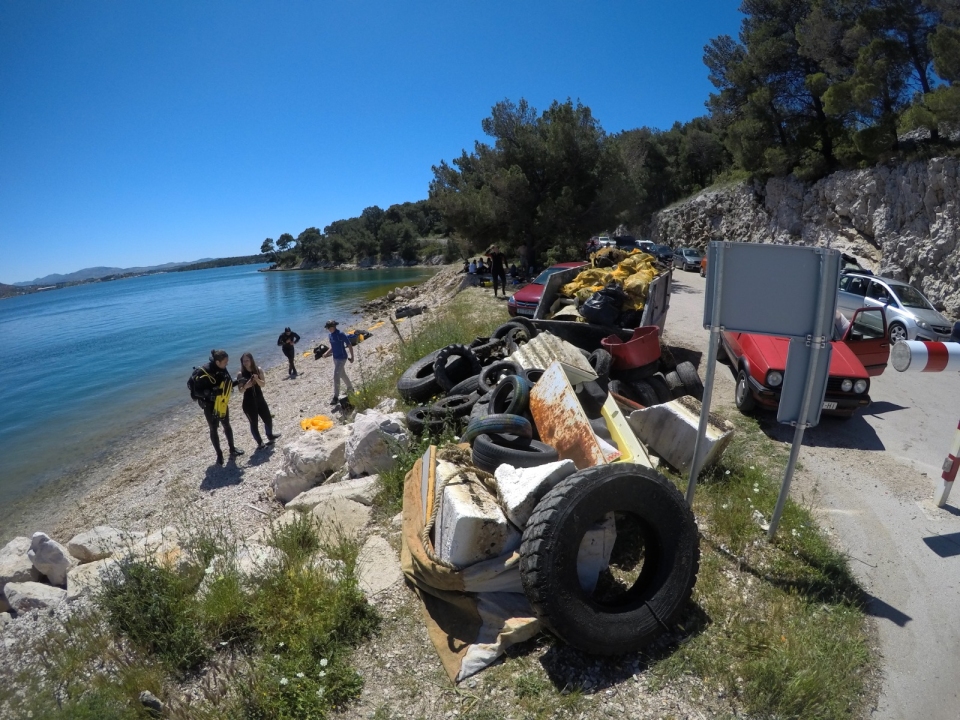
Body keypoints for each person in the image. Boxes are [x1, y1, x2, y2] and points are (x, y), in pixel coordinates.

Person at [194, 349, 244, 466]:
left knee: (226, 424)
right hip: (209, 405)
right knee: (213, 428)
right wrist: (211, 393)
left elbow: (228, 384)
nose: (227, 364)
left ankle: (232, 449)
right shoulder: (204, 372)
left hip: (221, 403)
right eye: (225, 362)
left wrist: (238, 381)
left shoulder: (222, 368)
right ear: (217, 362)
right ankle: (219, 455)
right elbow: (196, 392)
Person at [237, 352, 281, 449]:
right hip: (248, 403)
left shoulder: (258, 370)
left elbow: (263, 384)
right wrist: (245, 386)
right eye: (243, 361)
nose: (245, 363)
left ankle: (270, 435)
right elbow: (240, 390)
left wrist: (257, 380)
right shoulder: (240, 374)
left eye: (247, 360)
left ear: (251, 360)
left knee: (268, 418)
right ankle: (260, 443)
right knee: (254, 423)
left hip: (260, 399)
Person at [321, 319, 354, 406]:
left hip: (342, 358)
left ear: (333, 327)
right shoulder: (330, 335)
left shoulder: (341, 334)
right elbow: (332, 346)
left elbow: (349, 344)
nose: (328, 329)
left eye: (329, 328)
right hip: (335, 358)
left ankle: (336, 397)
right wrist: (326, 353)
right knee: (342, 374)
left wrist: (352, 357)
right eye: (328, 328)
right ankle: (351, 389)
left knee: (336, 376)